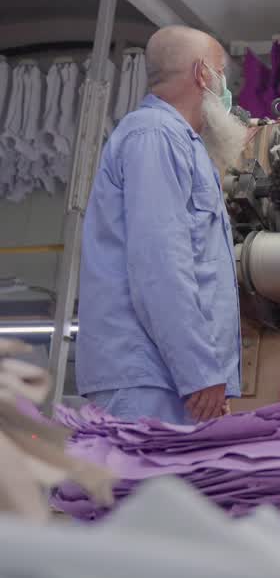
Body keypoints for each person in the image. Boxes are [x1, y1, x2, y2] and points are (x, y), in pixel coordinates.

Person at [75, 25, 246, 425]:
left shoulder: (180, 143)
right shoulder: (156, 136)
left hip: (170, 379)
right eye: (223, 74)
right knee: (145, 489)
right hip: (150, 379)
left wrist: (207, 374)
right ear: (204, 74)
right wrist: (200, 370)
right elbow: (160, 265)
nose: (226, 91)